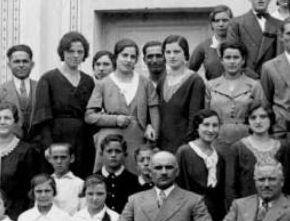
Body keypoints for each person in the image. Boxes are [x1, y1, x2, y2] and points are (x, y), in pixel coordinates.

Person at [86, 38, 159, 173]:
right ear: (116, 58)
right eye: (124, 55)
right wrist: (115, 120)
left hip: (136, 137)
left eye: (132, 57)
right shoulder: (104, 84)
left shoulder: (145, 83)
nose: (128, 60)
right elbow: (90, 116)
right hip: (110, 139)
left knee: (136, 175)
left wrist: (152, 127)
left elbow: (153, 109)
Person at [33, 31, 96, 176]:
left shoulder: (88, 81)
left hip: (82, 139)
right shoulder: (48, 79)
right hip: (57, 137)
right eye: (71, 51)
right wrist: (48, 147)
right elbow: (43, 117)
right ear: (62, 52)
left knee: (81, 176)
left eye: (80, 52)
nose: (75, 55)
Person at [205, 41, 266, 147]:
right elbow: (204, 115)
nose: (232, 61)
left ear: (243, 60)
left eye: (236, 57)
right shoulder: (210, 86)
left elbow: (262, 116)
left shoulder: (254, 86)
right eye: (228, 57)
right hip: (216, 137)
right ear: (221, 61)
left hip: (247, 138)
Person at [177, 109, 228, 221]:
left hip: (215, 216)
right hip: (190, 215)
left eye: (215, 125)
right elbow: (178, 186)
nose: (211, 130)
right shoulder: (184, 152)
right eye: (206, 125)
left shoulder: (219, 156)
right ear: (197, 127)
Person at [156, 35, 206, 153]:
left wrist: (187, 147)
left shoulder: (194, 80)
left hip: (184, 145)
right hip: (162, 143)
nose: (172, 56)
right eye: (168, 52)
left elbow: (194, 118)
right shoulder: (162, 80)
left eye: (177, 51)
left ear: (185, 54)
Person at [225, 101, 281, 206]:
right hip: (246, 210)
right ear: (248, 121)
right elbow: (230, 187)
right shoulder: (238, 149)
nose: (258, 121)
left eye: (263, 117)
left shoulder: (283, 147)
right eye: (253, 118)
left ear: (271, 119)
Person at [226, 0, 283, 75]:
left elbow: (281, 58)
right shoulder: (236, 23)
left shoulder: (280, 25)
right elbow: (233, 55)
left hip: (271, 79)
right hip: (246, 80)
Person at [0, 44, 38, 143]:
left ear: (32, 64)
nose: (21, 65)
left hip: (38, 151)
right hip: (10, 151)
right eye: (16, 62)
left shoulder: (41, 88)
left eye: (25, 61)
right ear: (9, 65)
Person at [94, 134, 140, 214]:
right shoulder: (94, 179)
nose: (113, 155)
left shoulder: (134, 181)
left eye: (118, 151)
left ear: (125, 155)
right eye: (109, 151)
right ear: (101, 154)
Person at [189, 5, 234, 80]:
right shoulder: (203, 47)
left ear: (232, 21)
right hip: (213, 90)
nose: (221, 24)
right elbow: (188, 73)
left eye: (225, 20)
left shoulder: (239, 44)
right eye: (217, 21)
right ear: (212, 24)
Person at [46, 143, 84, 214]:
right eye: (55, 157)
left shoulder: (79, 184)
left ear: (71, 158)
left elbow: (84, 211)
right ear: (49, 159)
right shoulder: (44, 183)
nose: (59, 161)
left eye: (63, 157)